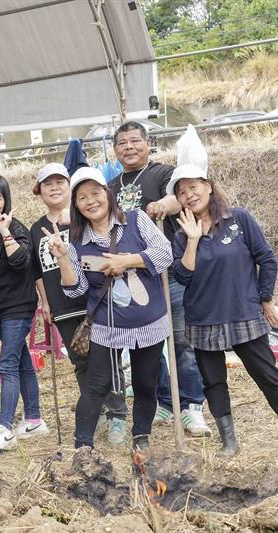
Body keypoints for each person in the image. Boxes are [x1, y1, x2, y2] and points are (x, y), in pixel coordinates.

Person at [167, 167, 278, 455]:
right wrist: (193, 240)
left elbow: (267, 258)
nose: (189, 194)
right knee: (213, 382)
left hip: (243, 313)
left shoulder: (238, 219)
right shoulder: (182, 235)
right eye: (182, 192)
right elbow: (183, 278)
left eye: (193, 186)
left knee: (267, 375)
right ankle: (229, 441)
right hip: (203, 318)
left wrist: (265, 298)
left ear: (208, 186)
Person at [46, 167, 172, 451]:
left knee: (144, 383)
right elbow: (75, 289)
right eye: (81, 197)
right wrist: (63, 258)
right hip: (105, 324)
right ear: (76, 205)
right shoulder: (76, 241)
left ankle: (141, 437)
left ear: (108, 194)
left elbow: (165, 253)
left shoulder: (137, 220)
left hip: (148, 321)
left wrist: (126, 262)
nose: (90, 201)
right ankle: (83, 446)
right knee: (96, 385)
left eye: (95, 193)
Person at [110, 121, 211, 437]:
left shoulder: (162, 173)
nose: (129, 147)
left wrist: (159, 206)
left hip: (169, 270)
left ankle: (192, 407)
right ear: (115, 150)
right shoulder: (111, 186)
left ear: (148, 143)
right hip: (135, 276)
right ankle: (166, 401)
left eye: (135, 140)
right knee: (149, 343)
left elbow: (177, 199)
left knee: (181, 340)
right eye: (122, 142)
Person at [30, 163, 129, 446]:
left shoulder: (83, 220)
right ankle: (93, 409)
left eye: (60, 182)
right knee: (80, 362)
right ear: (40, 191)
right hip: (61, 307)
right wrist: (45, 302)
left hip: (92, 302)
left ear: (70, 188)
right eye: (47, 184)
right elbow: (37, 271)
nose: (54, 188)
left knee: (107, 361)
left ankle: (117, 415)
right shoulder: (37, 228)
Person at [0, 174, 48, 451]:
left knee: (6, 364)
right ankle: (33, 419)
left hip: (17, 306)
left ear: (6, 201)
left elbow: (21, 262)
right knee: (21, 362)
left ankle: (5, 427)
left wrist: (5, 231)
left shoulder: (16, 227)